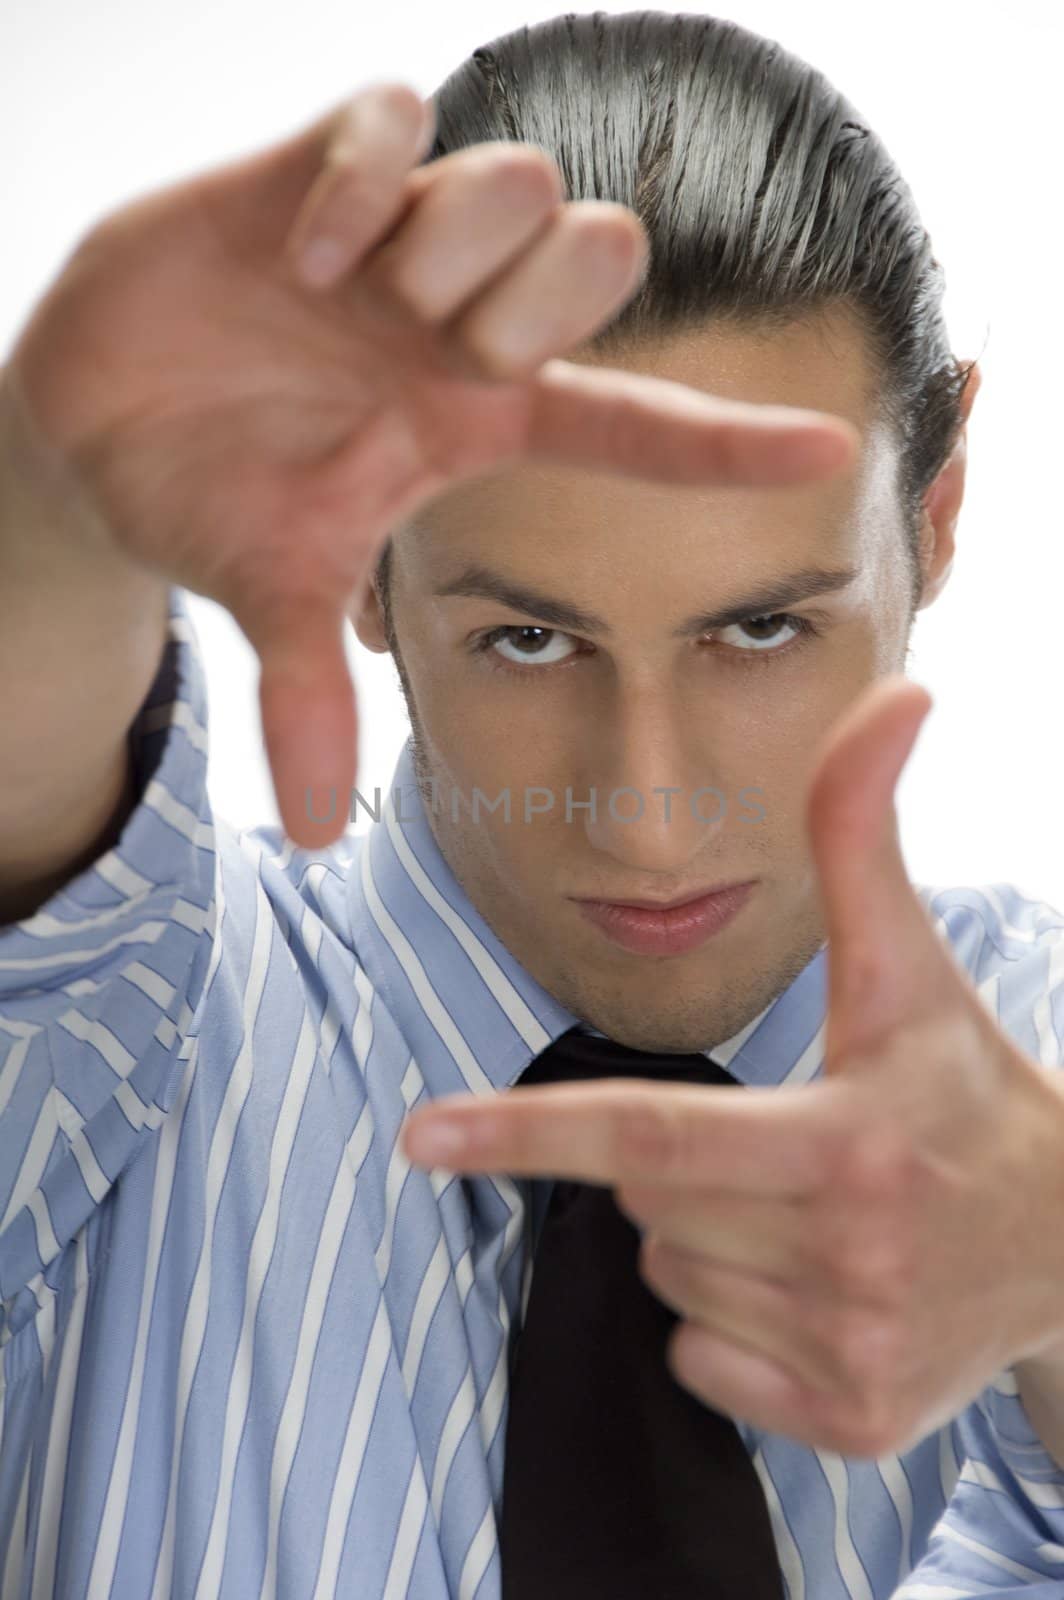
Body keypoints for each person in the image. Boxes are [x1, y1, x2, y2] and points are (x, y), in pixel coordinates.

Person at [2, 8, 1064, 1597]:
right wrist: (52, 502)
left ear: (939, 514)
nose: (645, 816)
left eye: (762, 628)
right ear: (364, 555)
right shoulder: (124, 1060)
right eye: (528, 637)